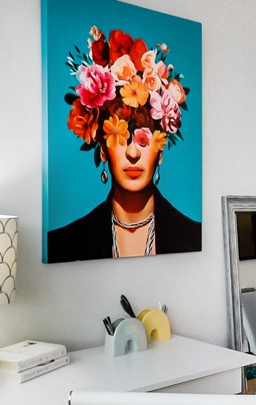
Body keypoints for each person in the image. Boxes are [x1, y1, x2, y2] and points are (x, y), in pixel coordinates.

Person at [46, 25, 201, 263]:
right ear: (102, 149)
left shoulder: (194, 236)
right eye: (120, 136)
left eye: (143, 137)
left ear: (160, 151)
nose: (131, 152)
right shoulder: (62, 244)